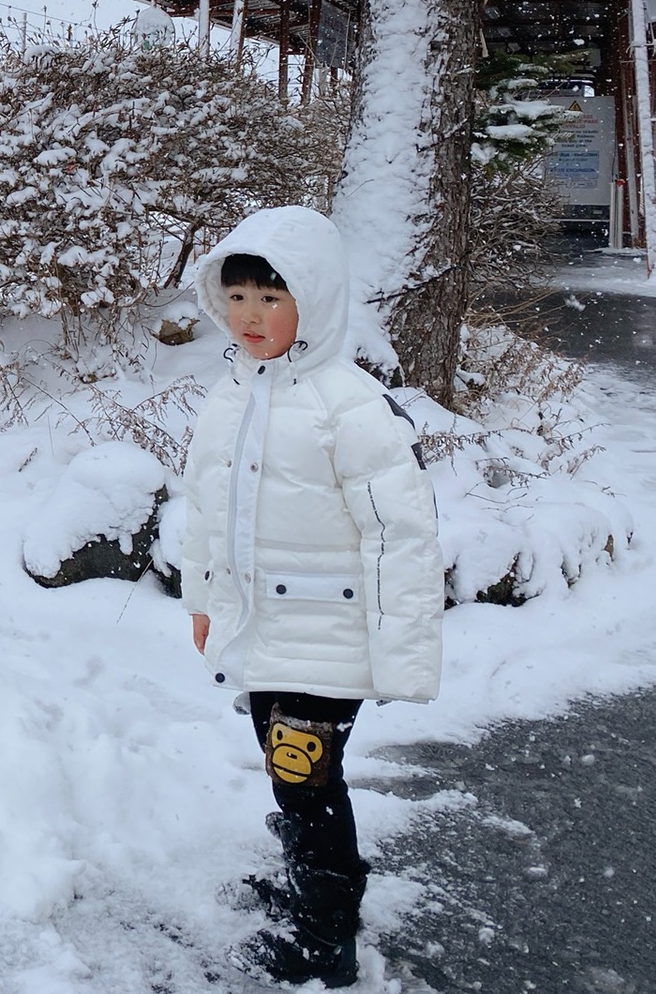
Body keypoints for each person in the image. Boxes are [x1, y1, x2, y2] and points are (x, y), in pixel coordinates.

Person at [179, 206, 444, 988]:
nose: (250, 317)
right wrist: (206, 603)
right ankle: (315, 882)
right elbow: (206, 511)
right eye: (237, 297)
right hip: (266, 633)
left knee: (304, 779)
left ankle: (326, 937)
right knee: (295, 779)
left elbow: (402, 537)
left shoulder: (349, 404)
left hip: (328, 640)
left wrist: (402, 655)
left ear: (316, 302)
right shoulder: (232, 394)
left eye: (271, 297)